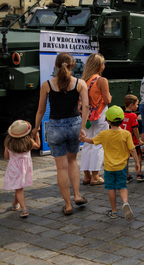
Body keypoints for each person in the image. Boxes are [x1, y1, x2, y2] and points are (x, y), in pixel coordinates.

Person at [33, 52, 89, 215]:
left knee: (61, 168)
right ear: (72, 66)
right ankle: (77, 195)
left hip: (55, 126)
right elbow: (85, 107)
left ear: (56, 66)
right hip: (74, 125)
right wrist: (83, 127)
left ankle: (68, 205)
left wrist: (36, 127)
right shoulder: (80, 83)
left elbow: (41, 110)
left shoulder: (47, 85)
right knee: (72, 162)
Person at [82, 106, 138, 221]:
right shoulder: (126, 134)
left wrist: (84, 139)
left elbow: (93, 141)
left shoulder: (104, 134)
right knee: (122, 186)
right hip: (122, 166)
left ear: (108, 120)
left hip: (109, 167)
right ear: (122, 120)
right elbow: (132, 149)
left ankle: (114, 211)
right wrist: (137, 162)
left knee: (111, 188)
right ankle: (125, 202)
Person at [80, 53, 111, 186]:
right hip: (99, 114)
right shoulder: (101, 80)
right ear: (99, 66)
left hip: (87, 115)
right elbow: (107, 99)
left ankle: (86, 175)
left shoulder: (83, 80)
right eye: (103, 63)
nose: (104, 65)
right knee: (99, 144)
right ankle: (95, 176)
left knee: (87, 144)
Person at [3, 120, 41, 218]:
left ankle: (24, 209)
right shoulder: (28, 141)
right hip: (25, 168)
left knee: (19, 189)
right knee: (19, 187)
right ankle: (15, 205)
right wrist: (37, 135)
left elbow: (6, 157)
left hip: (14, 168)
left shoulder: (9, 142)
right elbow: (37, 146)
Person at [121, 95, 144, 182]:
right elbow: (135, 129)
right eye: (136, 104)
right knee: (138, 157)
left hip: (124, 140)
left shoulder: (121, 114)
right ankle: (139, 174)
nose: (137, 106)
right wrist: (138, 140)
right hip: (133, 140)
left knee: (126, 158)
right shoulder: (133, 116)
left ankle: (127, 176)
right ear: (131, 105)